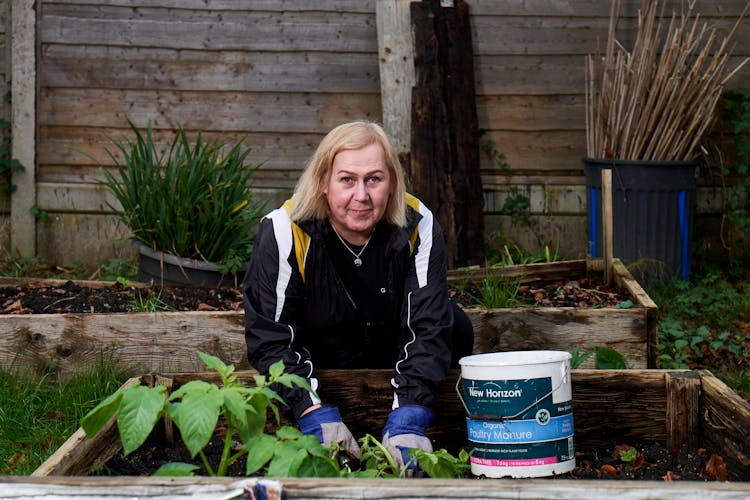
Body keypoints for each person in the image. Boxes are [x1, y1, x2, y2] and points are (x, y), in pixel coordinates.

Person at [242, 120, 474, 469]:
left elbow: (427, 325)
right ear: (323, 182)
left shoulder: (418, 224)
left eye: (374, 179)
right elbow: (269, 336)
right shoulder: (283, 231)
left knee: (455, 324)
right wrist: (309, 408)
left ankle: (408, 426)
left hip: (390, 349)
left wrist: (410, 413)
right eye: (347, 179)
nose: (361, 196)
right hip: (322, 358)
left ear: (391, 182)